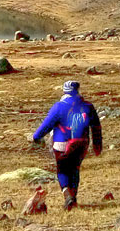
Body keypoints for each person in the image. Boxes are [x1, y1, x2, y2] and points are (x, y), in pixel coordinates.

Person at [32, 80, 103, 210]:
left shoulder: (59, 106)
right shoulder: (88, 106)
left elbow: (46, 125)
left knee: (62, 170)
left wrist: (36, 137)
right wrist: (97, 146)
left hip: (61, 144)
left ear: (64, 91)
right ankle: (73, 197)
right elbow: (96, 127)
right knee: (75, 169)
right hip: (82, 143)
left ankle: (67, 195)